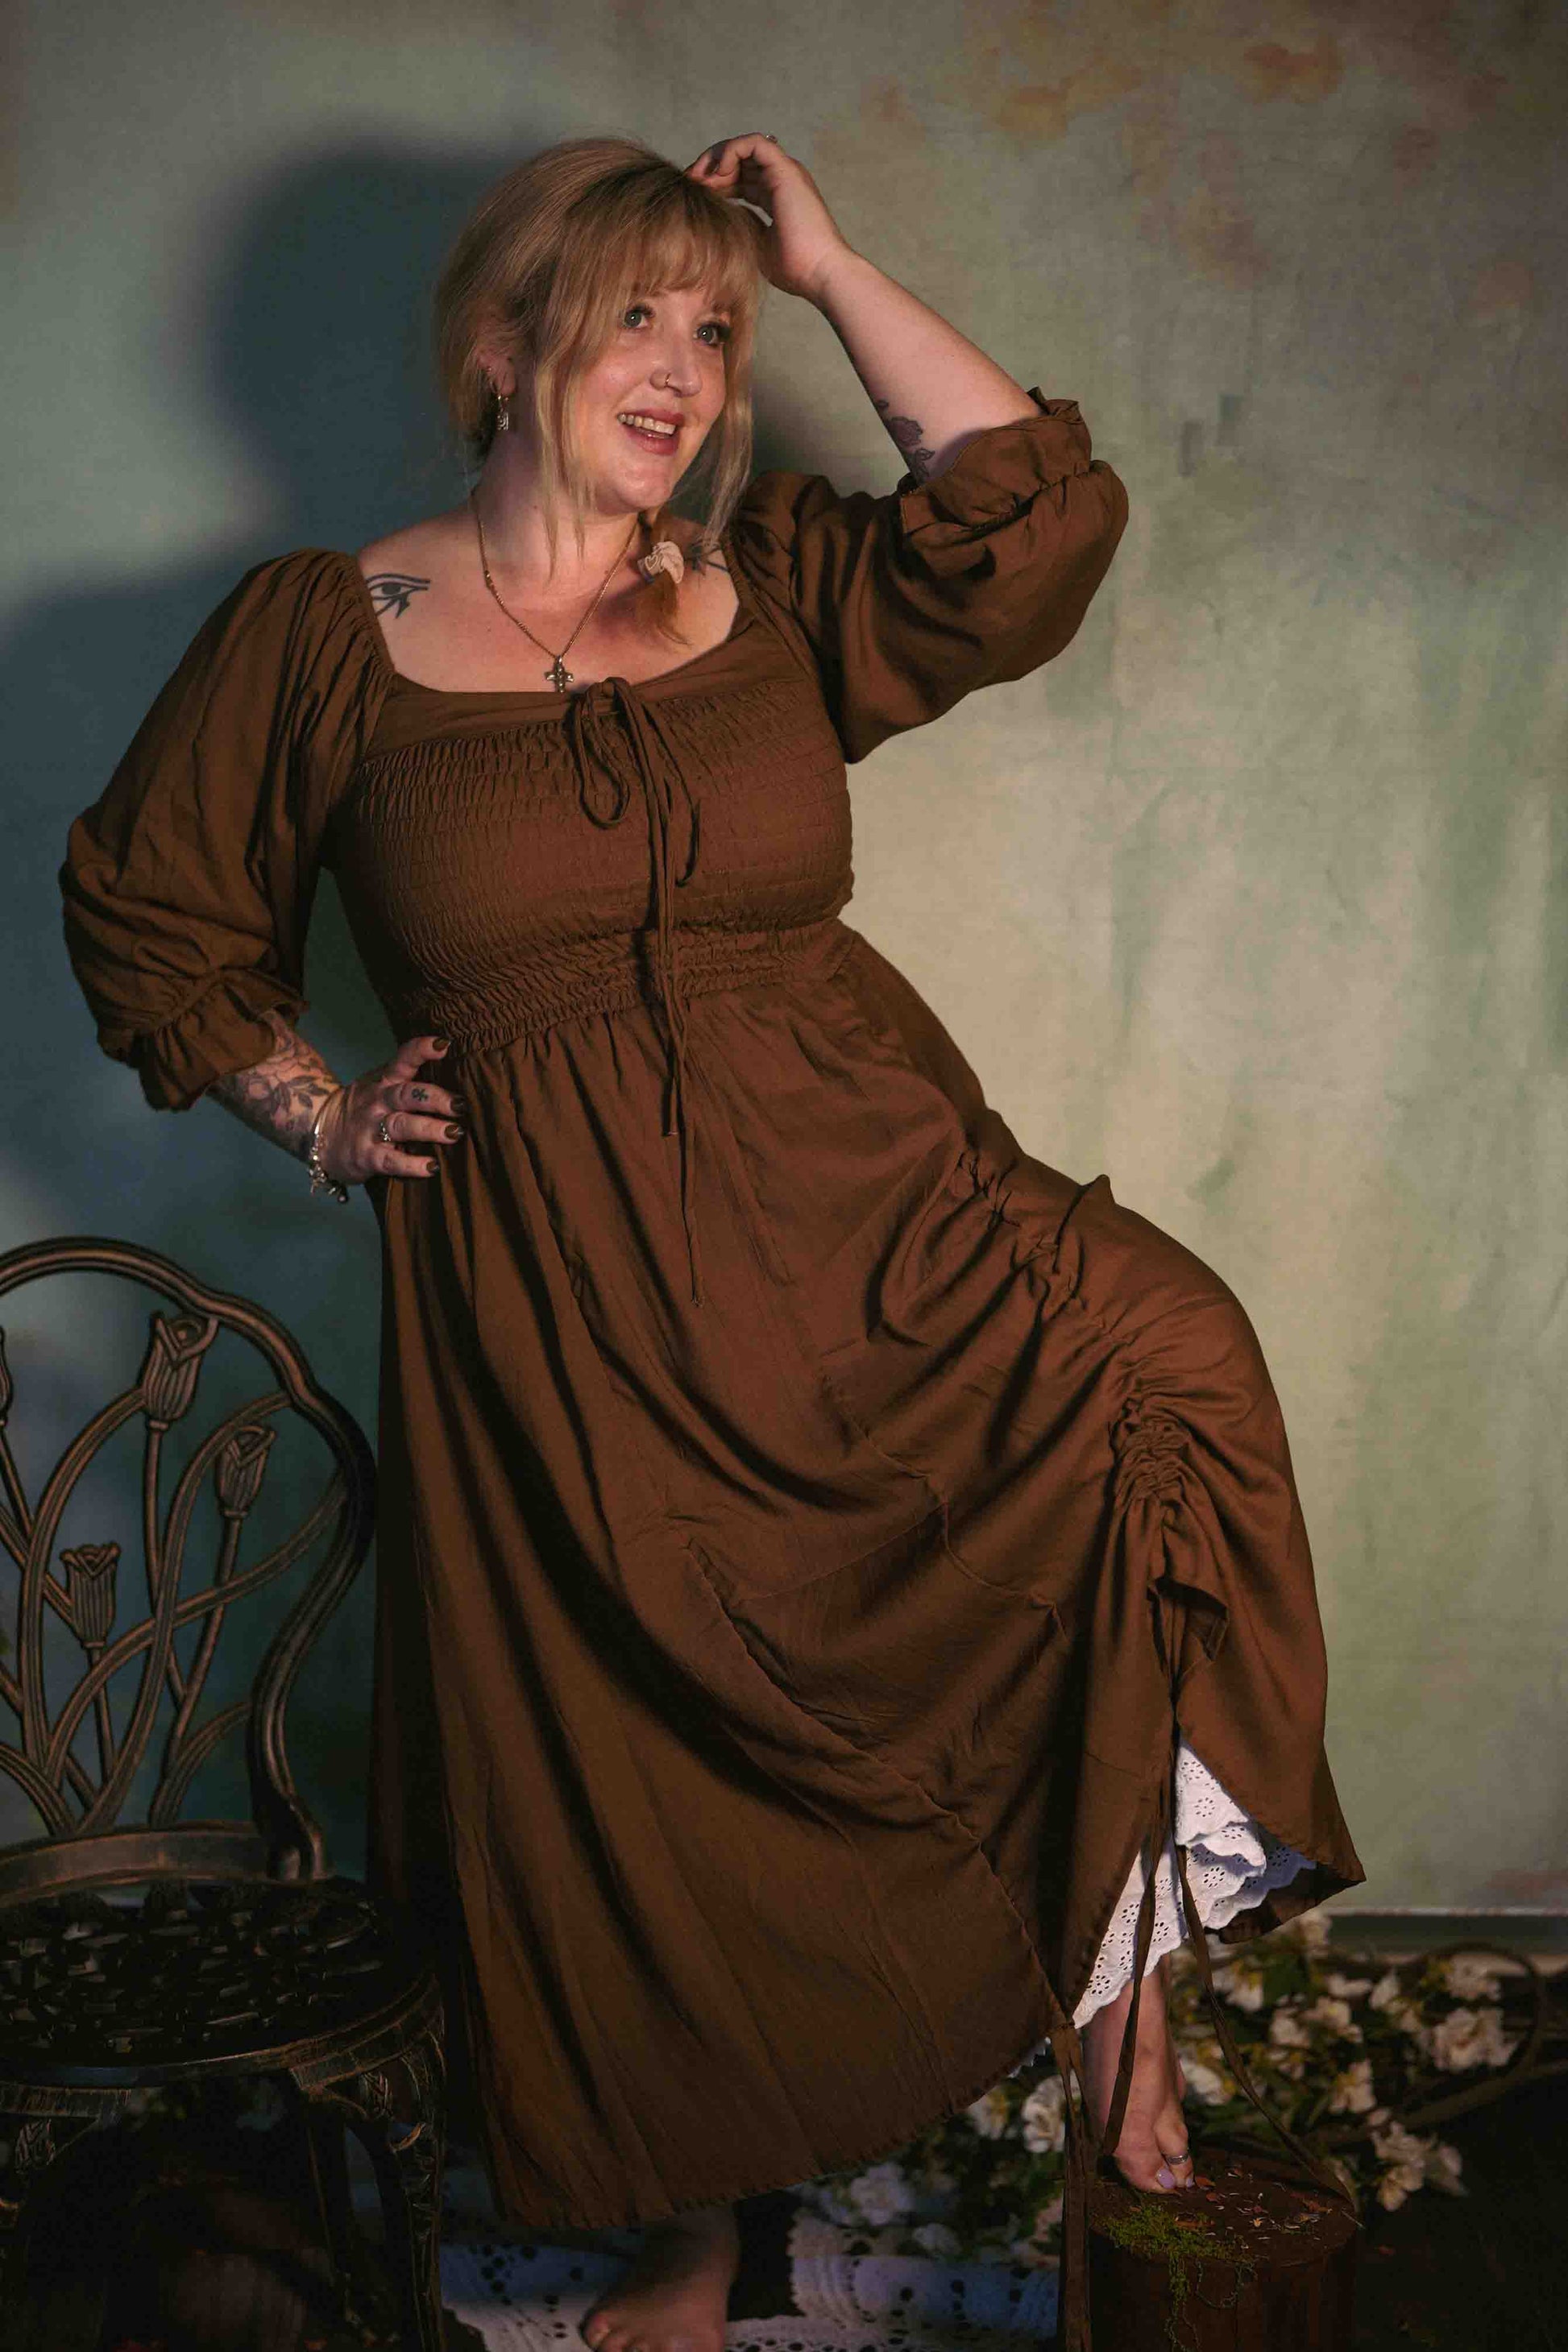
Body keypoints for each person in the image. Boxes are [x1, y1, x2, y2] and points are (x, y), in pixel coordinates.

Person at [60, 131, 1363, 2352]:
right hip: (565, 1291)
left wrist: (833, 268)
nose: (683, 365)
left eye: (717, 327)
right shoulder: (328, 631)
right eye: (632, 317)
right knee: (635, 1754)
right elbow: (152, 917)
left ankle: (1121, 2010)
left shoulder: (772, 584)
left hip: (882, 1219)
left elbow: (1030, 520)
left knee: (1161, 1381)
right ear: (501, 351)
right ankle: (689, 2219)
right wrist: (324, 1116)